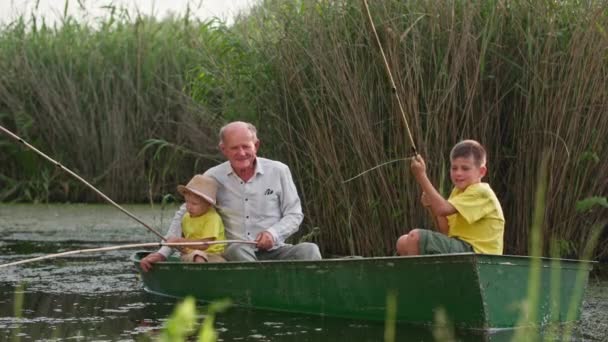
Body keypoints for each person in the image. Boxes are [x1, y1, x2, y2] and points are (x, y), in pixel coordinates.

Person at [140, 121, 321, 271]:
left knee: (309, 250)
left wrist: (272, 234)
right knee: (237, 248)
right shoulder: (213, 176)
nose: (241, 153)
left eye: (246, 146)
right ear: (223, 149)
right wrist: (163, 253)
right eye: (234, 148)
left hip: (276, 250)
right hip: (235, 255)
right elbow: (184, 212)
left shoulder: (279, 171)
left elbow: (294, 214)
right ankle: (260, 287)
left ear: (256, 145)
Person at [396, 140, 505, 256]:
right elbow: (445, 231)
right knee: (403, 242)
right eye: (454, 168)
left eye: (465, 168)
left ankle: (419, 274)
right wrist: (431, 206)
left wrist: (421, 176)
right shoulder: (458, 192)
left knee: (415, 237)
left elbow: (442, 209)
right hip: (462, 248)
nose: (458, 173)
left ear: (481, 172)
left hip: (478, 254)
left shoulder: (481, 191)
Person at [167, 174, 226, 263]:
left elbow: (205, 245)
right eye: (187, 202)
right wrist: (180, 246)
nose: (189, 207)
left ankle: (201, 275)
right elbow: (186, 238)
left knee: (198, 256)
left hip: (213, 255)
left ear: (208, 204)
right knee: (187, 256)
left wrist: (180, 241)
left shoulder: (212, 218)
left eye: (194, 204)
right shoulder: (186, 217)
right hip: (190, 254)